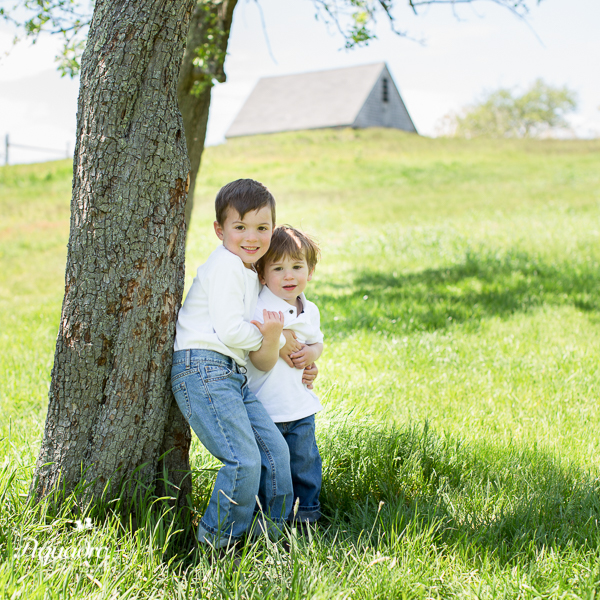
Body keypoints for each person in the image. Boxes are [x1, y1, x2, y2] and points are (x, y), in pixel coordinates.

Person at [171, 179, 302, 549]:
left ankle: (270, 541)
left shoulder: (247, 271)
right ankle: (217, 549)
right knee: (243, 462)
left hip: (230, 375)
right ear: (219, 230)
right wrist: (270, 340)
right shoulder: (227, 264)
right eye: (240, 227)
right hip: (203, 368)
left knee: (275, 453)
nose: (252, 236)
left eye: (262, 228)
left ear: (272, 229)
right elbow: (231, 332)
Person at [246, 226, 325, 525]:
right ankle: (268, 519)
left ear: (311, 270)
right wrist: (280, 338)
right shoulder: (261, 306)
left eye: (297, 266)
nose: (289, 276)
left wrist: (313, 354)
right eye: (278, 268)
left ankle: (306, 515)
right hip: (267, 406)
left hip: (301, 405)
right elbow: (261, 351)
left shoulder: (310, 308)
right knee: (272, 468)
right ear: (263, 275)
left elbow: (317, 341)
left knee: (305, 463)